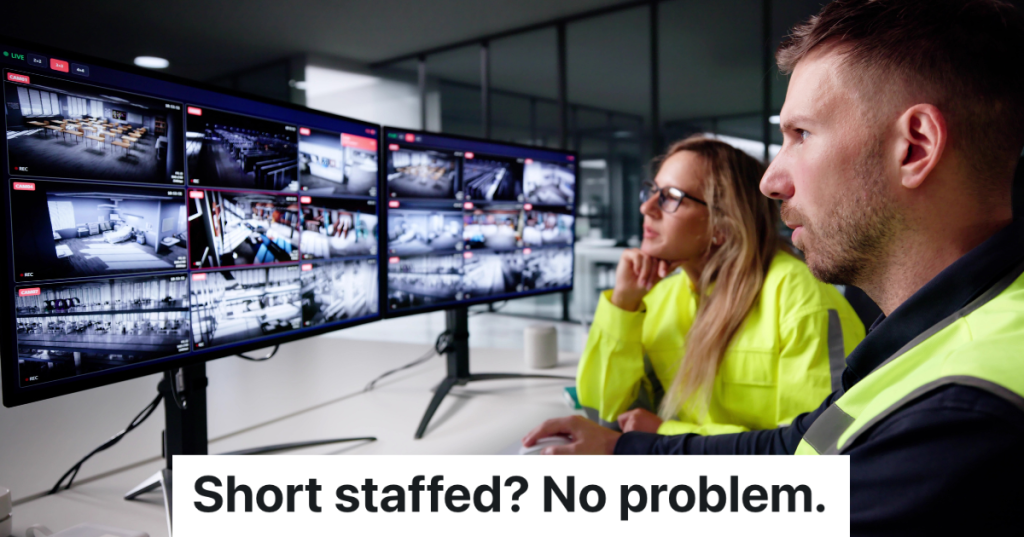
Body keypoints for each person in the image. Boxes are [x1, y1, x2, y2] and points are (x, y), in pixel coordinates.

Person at [524, 0, 1024, 531]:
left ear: (914, 147)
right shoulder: (936, 332)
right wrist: (625, 451)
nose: (769, 182)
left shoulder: (962, 413)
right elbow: (803, 446)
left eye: (801, 134)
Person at [576, 135, 865, 437]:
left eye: (671, 196)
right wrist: (623, 305)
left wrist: (669, 435)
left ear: (722, 225)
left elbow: (817, 444)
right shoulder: (657, 298)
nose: (646, 207)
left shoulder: (802, 299)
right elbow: (604, 415)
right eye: (652, 192)